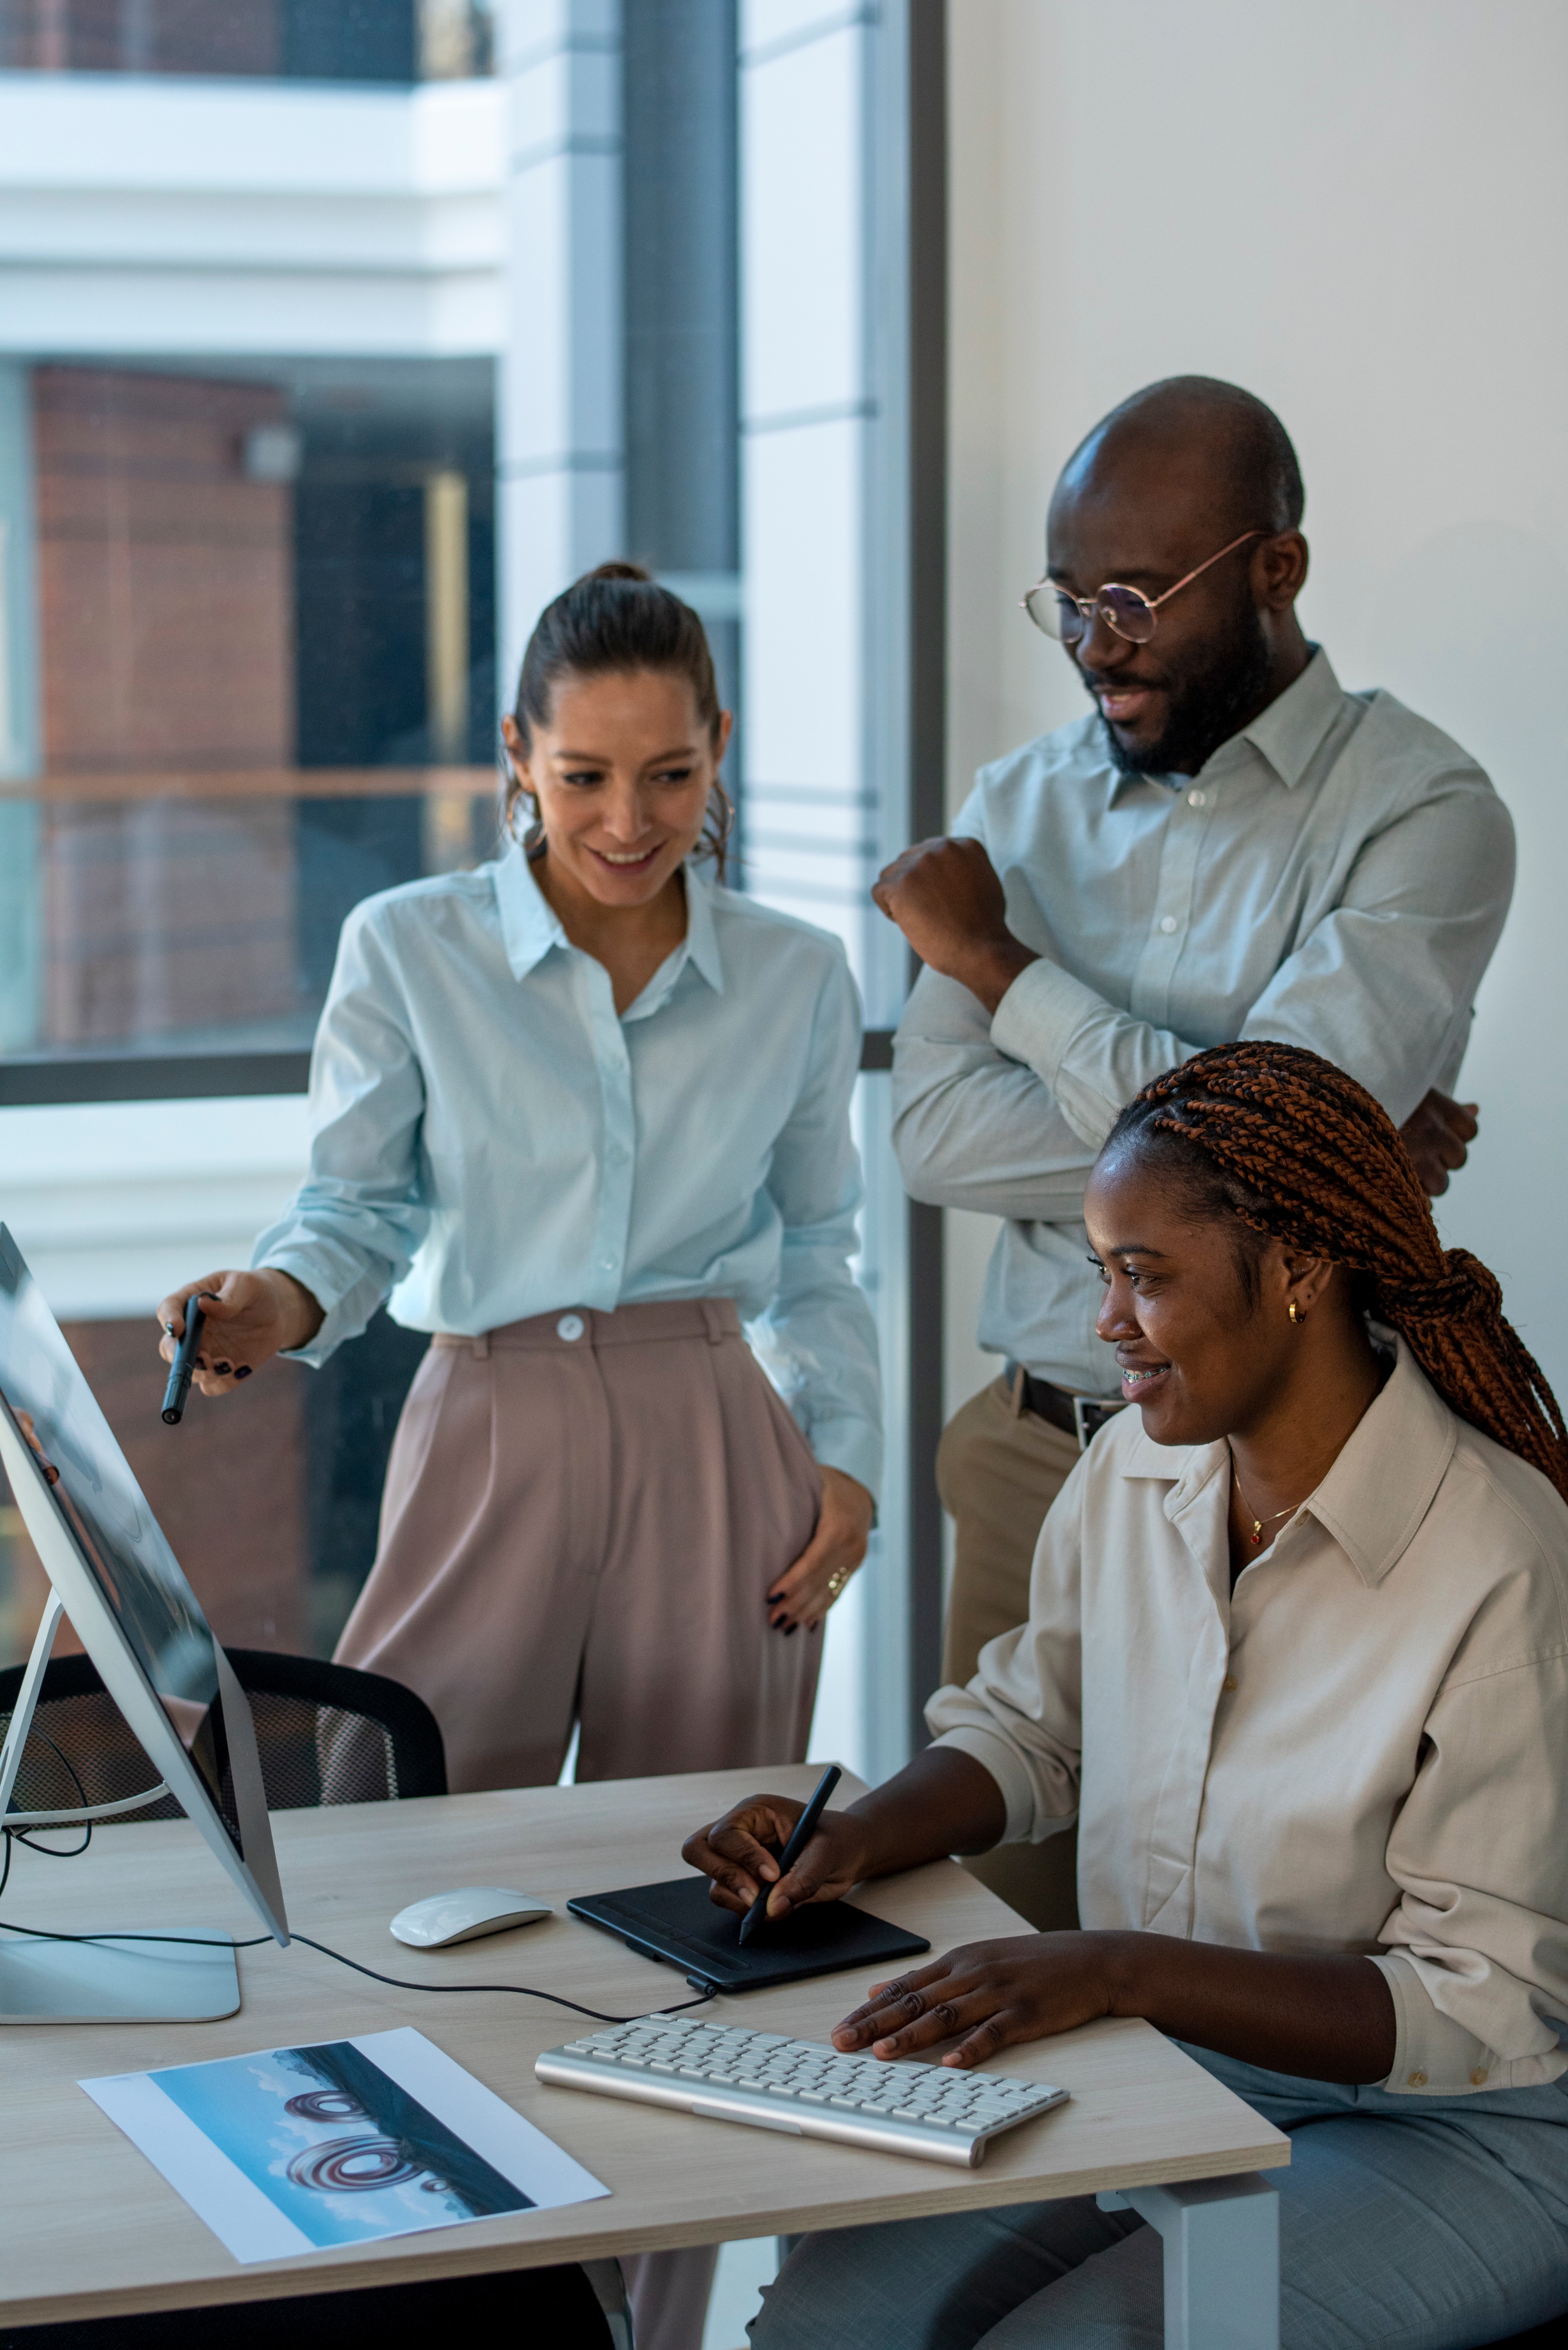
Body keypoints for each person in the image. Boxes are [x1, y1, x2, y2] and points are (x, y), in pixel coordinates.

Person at [155, 563, 882, 2350]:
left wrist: (845, 1464)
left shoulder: (798, 973)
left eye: (668, 776)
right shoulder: (408, 946)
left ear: (720, 755)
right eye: (582, 777)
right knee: (397, 1873)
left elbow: (816, 1258)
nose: (626, 821)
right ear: (514, 762)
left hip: (722, 1436)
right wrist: (271, 1299)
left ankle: (650, 2324)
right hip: (486, 1421)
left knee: (704, 1918)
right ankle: (396, 2301)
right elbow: (352, 1208)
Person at [685, 1039, 1568, 2350]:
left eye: (1143, 1278)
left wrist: (1115, 1973)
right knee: (828, 2318)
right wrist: (858, 1836)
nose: (1107, 1323)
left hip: (1458, 2125)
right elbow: (1031, 1727)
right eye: (1104, 1273)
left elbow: (1480, 2003)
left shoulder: (1501, 1558)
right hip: (1180, 2071)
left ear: (1303, 1274)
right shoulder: (1132, 1476)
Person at [873, 375, 1516, 1930]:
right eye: (1068, 601)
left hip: (1299, 1483)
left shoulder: (1424, 811)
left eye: (1133, 599)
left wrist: (1001, 974)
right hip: (1036, 1459)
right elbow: (932, 1133)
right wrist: (1263, 1130)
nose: (1097, 642)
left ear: (1275, 570)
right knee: (991, 1958)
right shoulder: (1013, 811)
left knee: (1264, 1940)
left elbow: (1267, 1135)